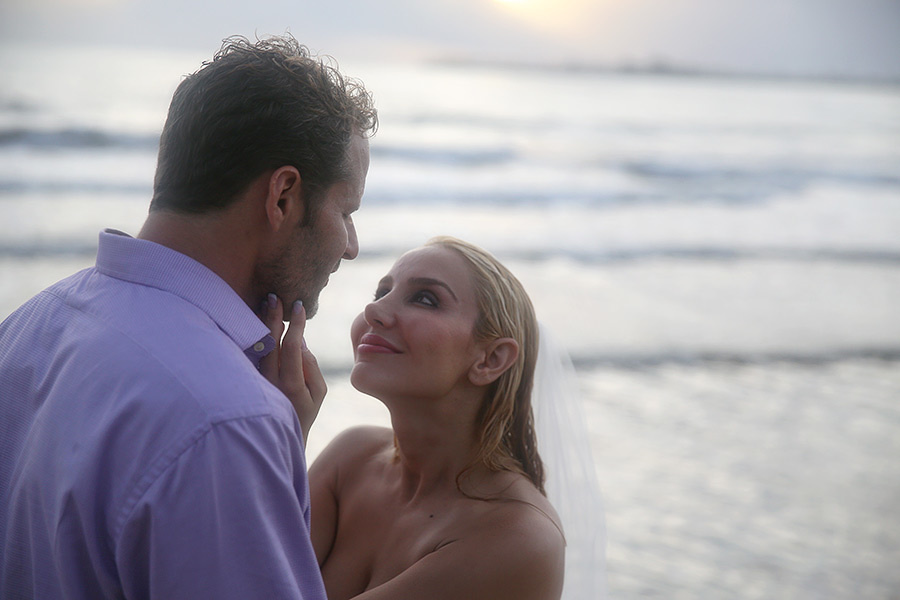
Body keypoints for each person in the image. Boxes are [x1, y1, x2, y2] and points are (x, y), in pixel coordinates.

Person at [0, 34, 376, 599]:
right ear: (282, 196)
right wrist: (258, 450)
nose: (349, 245)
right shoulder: (228, 421)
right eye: (345, 211)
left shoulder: (27, 327)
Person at [302, 236, 567, 599]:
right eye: (382, 293)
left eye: (425, 299)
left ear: (490, 360)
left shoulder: (517, 536)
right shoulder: (351, 458)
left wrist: (285, 435)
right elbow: (243, 578)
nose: (373, 311)